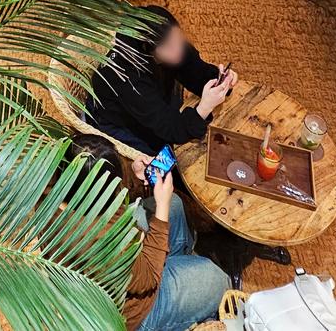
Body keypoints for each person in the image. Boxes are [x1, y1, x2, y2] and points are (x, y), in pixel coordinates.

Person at [66, 134, 231, 331]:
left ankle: (177, 265)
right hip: (135, 309)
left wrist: (134, 175)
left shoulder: (66, 193)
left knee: (175, 205)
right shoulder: (101, 241)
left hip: (130, 261)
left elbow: (112, 199)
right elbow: (148, 279)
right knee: (216, 278)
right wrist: (161, 206)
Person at [85, 5, 237, 154]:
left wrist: (220, 79)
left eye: (179, 39)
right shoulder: (127, 78)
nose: (178, 49)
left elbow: (196, 72)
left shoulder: (174, 48)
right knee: (162, 154)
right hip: (120, 122)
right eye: (169, 46)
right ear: (148, 49)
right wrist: (203, 108)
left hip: (151, 101)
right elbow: (171, 129)